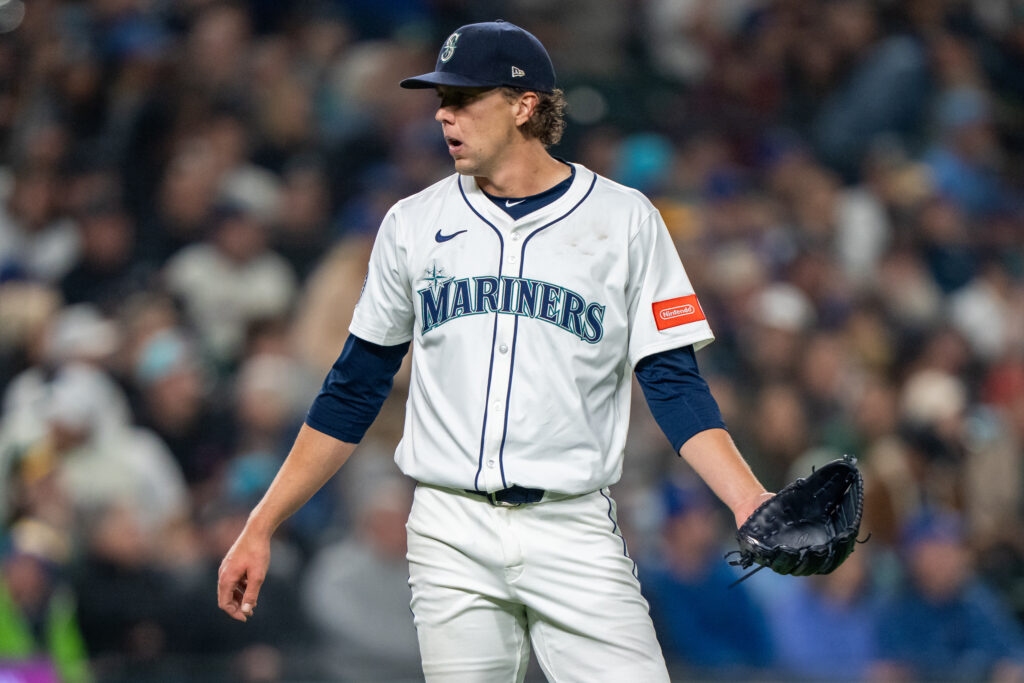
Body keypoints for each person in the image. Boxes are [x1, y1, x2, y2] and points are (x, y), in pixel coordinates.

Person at [217, 20, 770, 681]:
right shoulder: (412, 224)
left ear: (524, 105)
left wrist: (746, 498)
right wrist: (262, 522)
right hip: (450, 526)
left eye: (464, 99)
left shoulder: (624, 220)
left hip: (571, 523)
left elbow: (674, 383)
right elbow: (353, 387)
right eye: (441, 101)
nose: (444, 116)